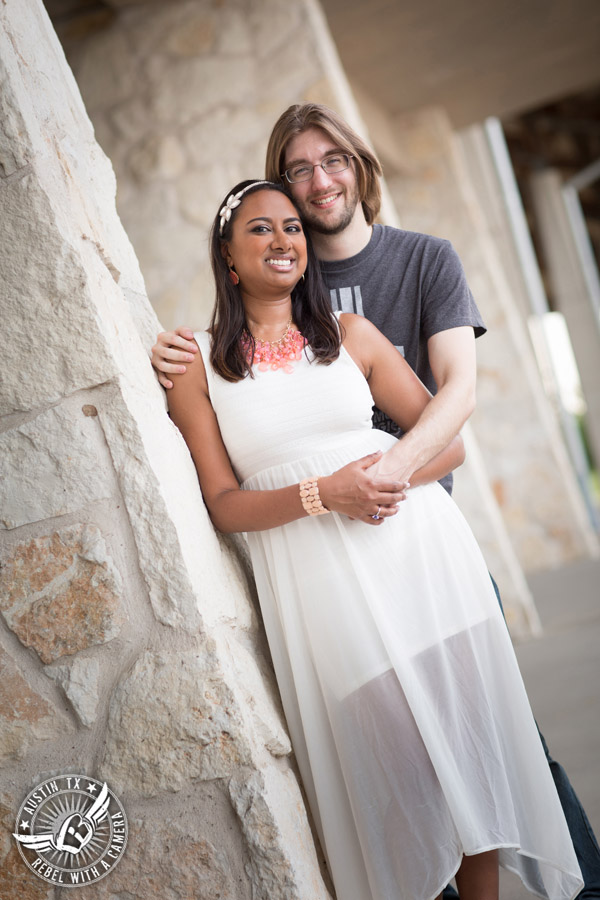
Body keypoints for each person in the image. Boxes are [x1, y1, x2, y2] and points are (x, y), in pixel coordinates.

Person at [152, 103, 600, 900]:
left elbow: (450, 433)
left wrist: (378, 478)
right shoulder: (197, 367)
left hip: (419, 557)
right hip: (324, 593)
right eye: (261, 227)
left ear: (359, 171)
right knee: (397, 776)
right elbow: (222, 501)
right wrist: (328, 492)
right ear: (226, 257)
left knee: (475, 758)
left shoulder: (355, 329)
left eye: (291, 227)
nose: (285, 237)